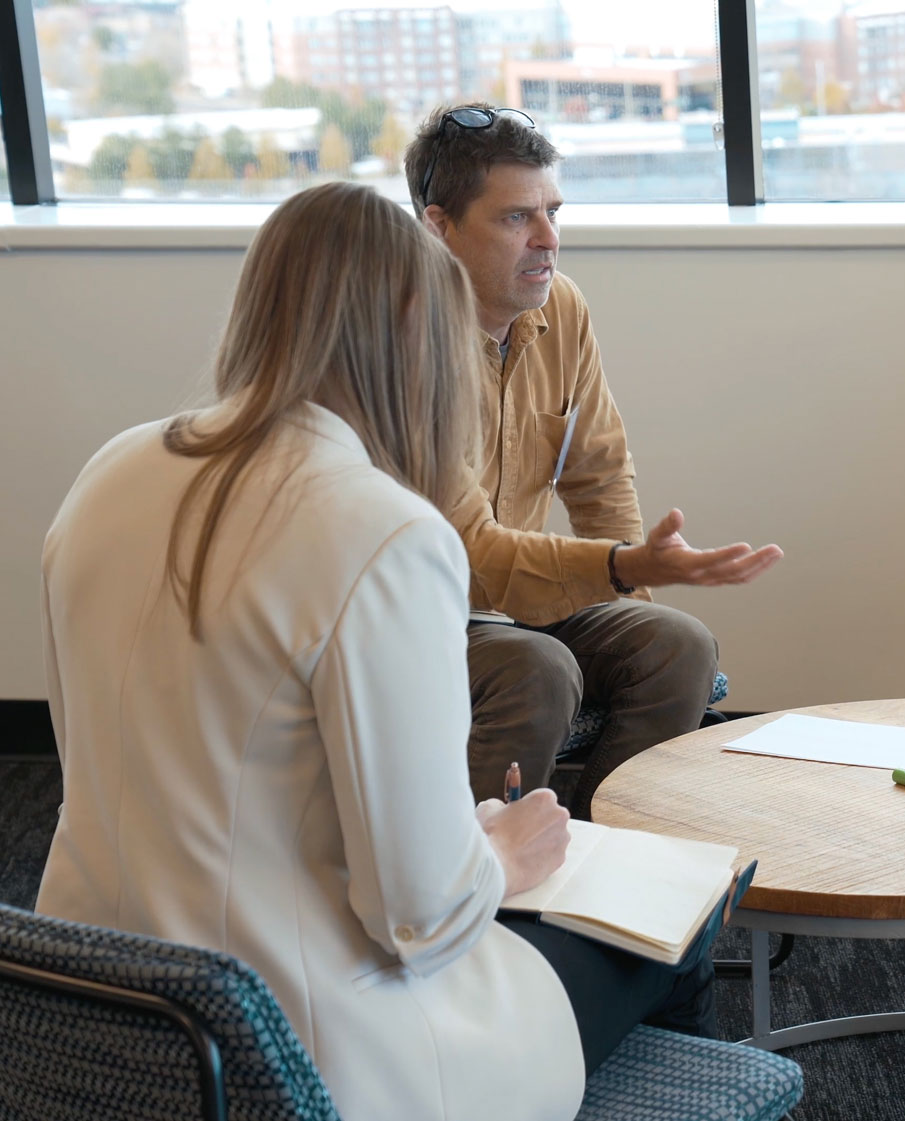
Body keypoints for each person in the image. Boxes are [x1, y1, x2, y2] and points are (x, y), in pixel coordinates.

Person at [36, 182, 733, 1121]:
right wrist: (502, 854)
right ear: (418, 329)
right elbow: (424, 917)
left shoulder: (112, 471)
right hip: (298, 1051)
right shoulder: (378, 529)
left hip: (91, 1007)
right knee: (680, 921)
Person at [404, 104, 783, 816]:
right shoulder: (404, 341)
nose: (549, 239)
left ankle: (604, 865)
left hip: (520, 601)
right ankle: (474, 893)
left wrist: (632, 601)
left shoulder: (562, 308)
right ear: (438, 228)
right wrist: (625, 565)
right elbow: (470, 554)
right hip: (419, 613)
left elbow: (597, 474)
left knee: (676, 645)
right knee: (536, 670)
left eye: (554, 210)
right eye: (518, 218)